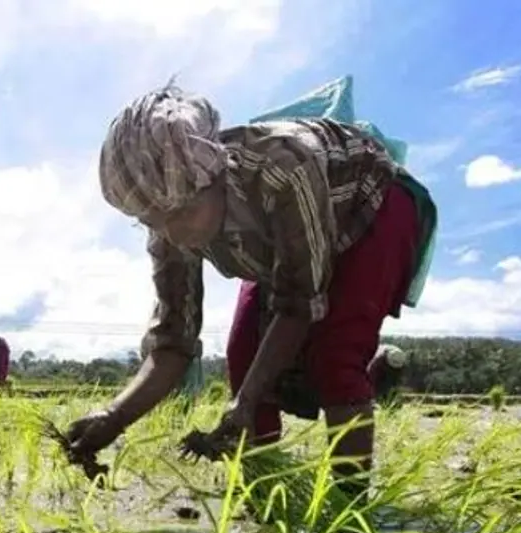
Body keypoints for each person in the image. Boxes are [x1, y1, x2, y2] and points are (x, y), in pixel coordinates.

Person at [65, 83, 437, 499]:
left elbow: (298, 304)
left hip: (369, 207)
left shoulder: (281, 167)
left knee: (336, 352)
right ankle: (265, 494)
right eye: (152, 219)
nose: (171, 232)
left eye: (181, 211)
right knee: (244, 354)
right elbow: (173, 342)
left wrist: (246, 400)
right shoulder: (170, 228)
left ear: (214, 176)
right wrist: (113, 418)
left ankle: (348, 514)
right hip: (282, 240)